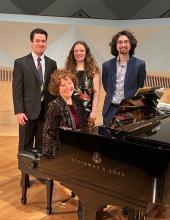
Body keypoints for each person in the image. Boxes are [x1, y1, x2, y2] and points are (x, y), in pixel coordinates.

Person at [12, 28, 57, 153]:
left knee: (42, 144)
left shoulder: (52, 63)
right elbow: (17, 89)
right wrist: (19, 111)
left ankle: (39, 171)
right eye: (37, 40)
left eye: (43, 41)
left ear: (46, 43)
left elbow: (53, 89)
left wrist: (53, 111)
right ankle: (24, 172)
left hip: (45, 112)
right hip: (27, 112)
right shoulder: (20, 63)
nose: (40, 43)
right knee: (25, 144)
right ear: (31, 42)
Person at [102, 30, 146, 125]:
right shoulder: (106, 65)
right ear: (116, 45)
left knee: (127, 139)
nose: (123, 45)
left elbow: (140, 86)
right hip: (110, 109)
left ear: (131, 44)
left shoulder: (140, 64)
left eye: (126, 42)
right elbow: (107, 87)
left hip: (130, 109)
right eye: (120, 42)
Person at [42, 69, 88, 158]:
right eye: (63, 85)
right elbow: (48, 134)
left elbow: (84, 125)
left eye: (70, 83)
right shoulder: (54, 106)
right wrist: (49, 157)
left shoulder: (78, 102)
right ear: (57, 89)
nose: (68, 87)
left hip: (80, 148)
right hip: (63, 151)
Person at [65, 40, 100, 126]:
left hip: (87, 112)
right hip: (70, 111)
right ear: (72, 53)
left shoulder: (93, 70)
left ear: (86, 52)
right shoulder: (68, 70)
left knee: (86, 138)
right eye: (76, 51)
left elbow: (96, 92)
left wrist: (94, 112)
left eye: (81, 50)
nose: (78, 53)